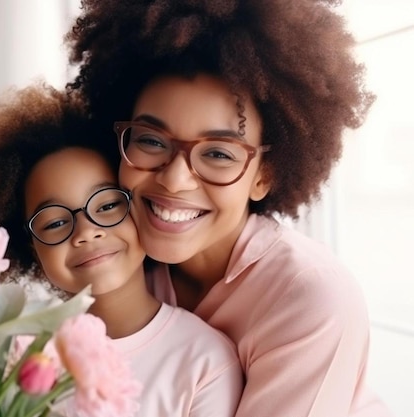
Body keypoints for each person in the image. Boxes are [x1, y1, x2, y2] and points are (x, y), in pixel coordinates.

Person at [64, 1, 392, 416]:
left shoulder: (310, 298)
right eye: (150, 140)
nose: (174, 179)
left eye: (218, 154)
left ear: (264, 175)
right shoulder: (121, 262)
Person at [0, 83, 243, 416]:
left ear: (142, 207)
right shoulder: (13, 357)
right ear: (31, 247)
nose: (87, 232)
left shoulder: (204, 360)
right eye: (55, 223)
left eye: (107, 206)